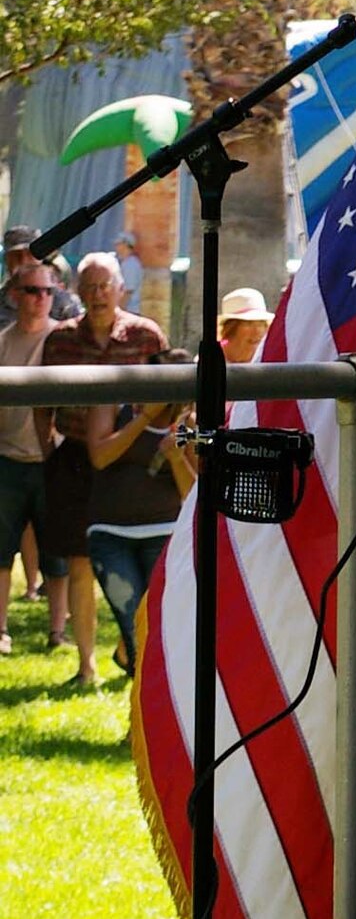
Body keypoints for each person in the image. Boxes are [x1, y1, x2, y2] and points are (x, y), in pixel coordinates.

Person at [36, 251, 167, 686]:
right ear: (77, 292)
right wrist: (46, 450)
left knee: (141, 563)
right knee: (78, 561)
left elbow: (169, 394)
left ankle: (132, 649)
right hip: (74, 456)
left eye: (104, 286)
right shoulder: (60, 340)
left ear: (121, 289)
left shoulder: (147, 336)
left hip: (129, 457)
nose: (96, 295)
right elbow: (41, 405)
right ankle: (86, 663)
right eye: (89, 287)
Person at [83, 350, 195, 677]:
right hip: (110, 533)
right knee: (134, 624)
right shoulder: (114, 402)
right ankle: (141, 716)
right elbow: (100, 456)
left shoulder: (189, 421)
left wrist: (176, 459)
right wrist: (144, 419)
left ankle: (143, 716)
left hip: (165, 533)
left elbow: (194, 495)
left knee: (157, 626)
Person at [0, 262, 69, 653]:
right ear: (15, 296)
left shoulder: (63, 341)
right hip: (7, 461)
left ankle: (57, 631)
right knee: (0, 552)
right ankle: (0, 630)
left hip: (51, 462)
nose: (41, 299)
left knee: (56, 555)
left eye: (47, 291)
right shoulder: (3, 343)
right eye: (32, 291)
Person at [0, 226, 83, 325]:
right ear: (7, 260)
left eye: (30, 254)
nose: (24, 261)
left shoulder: (63, 302)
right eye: (16, 255)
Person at [218, 286, 275, 364]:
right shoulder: (209, 361)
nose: (257, 331)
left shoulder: (272, 360)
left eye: (261, 323)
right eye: (248, 323)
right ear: (229, 329)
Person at [113, 232, 144, 308]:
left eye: (118, 243)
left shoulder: (131, 264)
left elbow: (128, 291)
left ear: (125, 245)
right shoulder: (124, 262)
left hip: (130, 310)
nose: (116, 246)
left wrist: (118, 310)